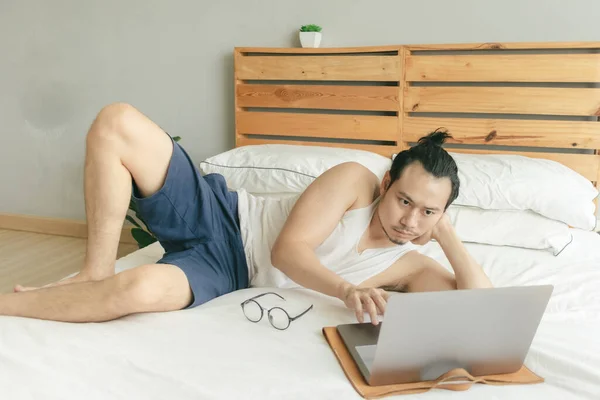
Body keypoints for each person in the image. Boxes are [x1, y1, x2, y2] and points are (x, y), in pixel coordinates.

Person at [1, 103, 492, 324]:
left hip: (229, 271)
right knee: (116, 121)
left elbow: (482, 309)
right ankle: (94, 269)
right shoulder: (355, 182)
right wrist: (346, 289)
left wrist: (445, 233)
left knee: (138, 291)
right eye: (405, 201)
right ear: (387, 184)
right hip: (221, 216)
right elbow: (287, 251)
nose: (410, 220)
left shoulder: (411, 263)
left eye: (427, 211)